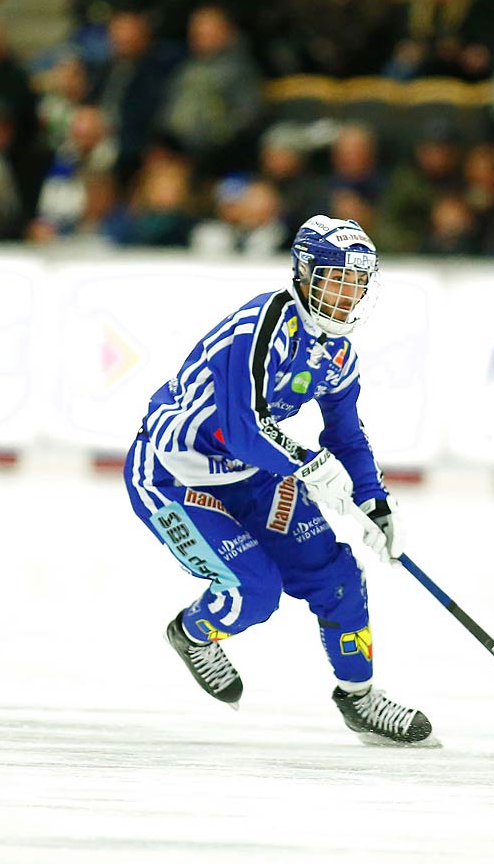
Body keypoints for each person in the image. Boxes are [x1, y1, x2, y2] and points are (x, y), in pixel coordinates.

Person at [123, 216, 432, 746]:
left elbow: (346, 434)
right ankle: (193, 633)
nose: (346, 295)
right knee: (253, 594)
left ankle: (359, 698)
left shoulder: (337, 353)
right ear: (304, 275)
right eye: (335, 280)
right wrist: (308, 464)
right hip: (174, 478)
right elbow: (239, 427)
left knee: (338, 577)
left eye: (356, 284)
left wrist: (375, 502)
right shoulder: (260, 327)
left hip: (252, 476)